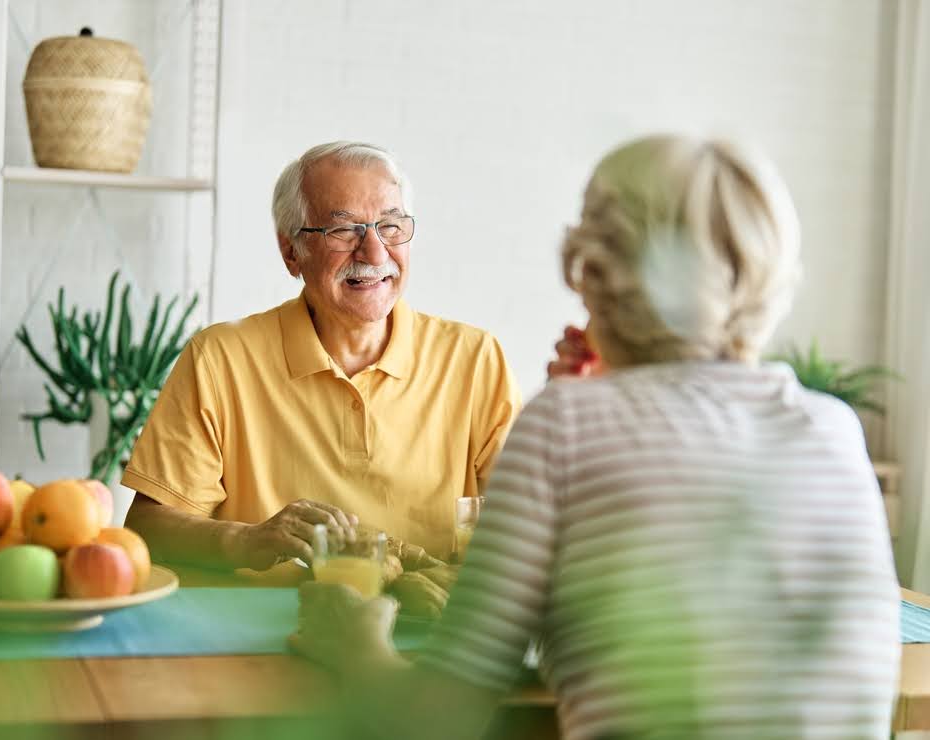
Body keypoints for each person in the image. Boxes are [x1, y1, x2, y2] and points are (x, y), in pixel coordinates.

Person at [292, 134, 900, 739]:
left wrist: (357, 645)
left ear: (591, 269)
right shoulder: (833, 429)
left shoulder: (565, 425)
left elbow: (434, 720)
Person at [122, 141, 521, 575]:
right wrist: (248, 540)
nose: (374, 254)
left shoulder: (476, 360)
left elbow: (529, 527)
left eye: (390, 226)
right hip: (257, 632)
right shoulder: (219, 359)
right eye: (344, 231)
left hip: (425, 628)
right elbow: (148, 529)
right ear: (292, 251)